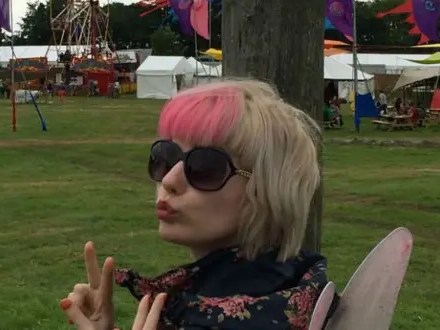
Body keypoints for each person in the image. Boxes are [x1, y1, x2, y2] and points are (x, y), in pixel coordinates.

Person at [59, 80, 329, 329]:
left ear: (265, 191)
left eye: (204, 166)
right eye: (166, 157)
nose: (169, 180)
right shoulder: (291, 287)